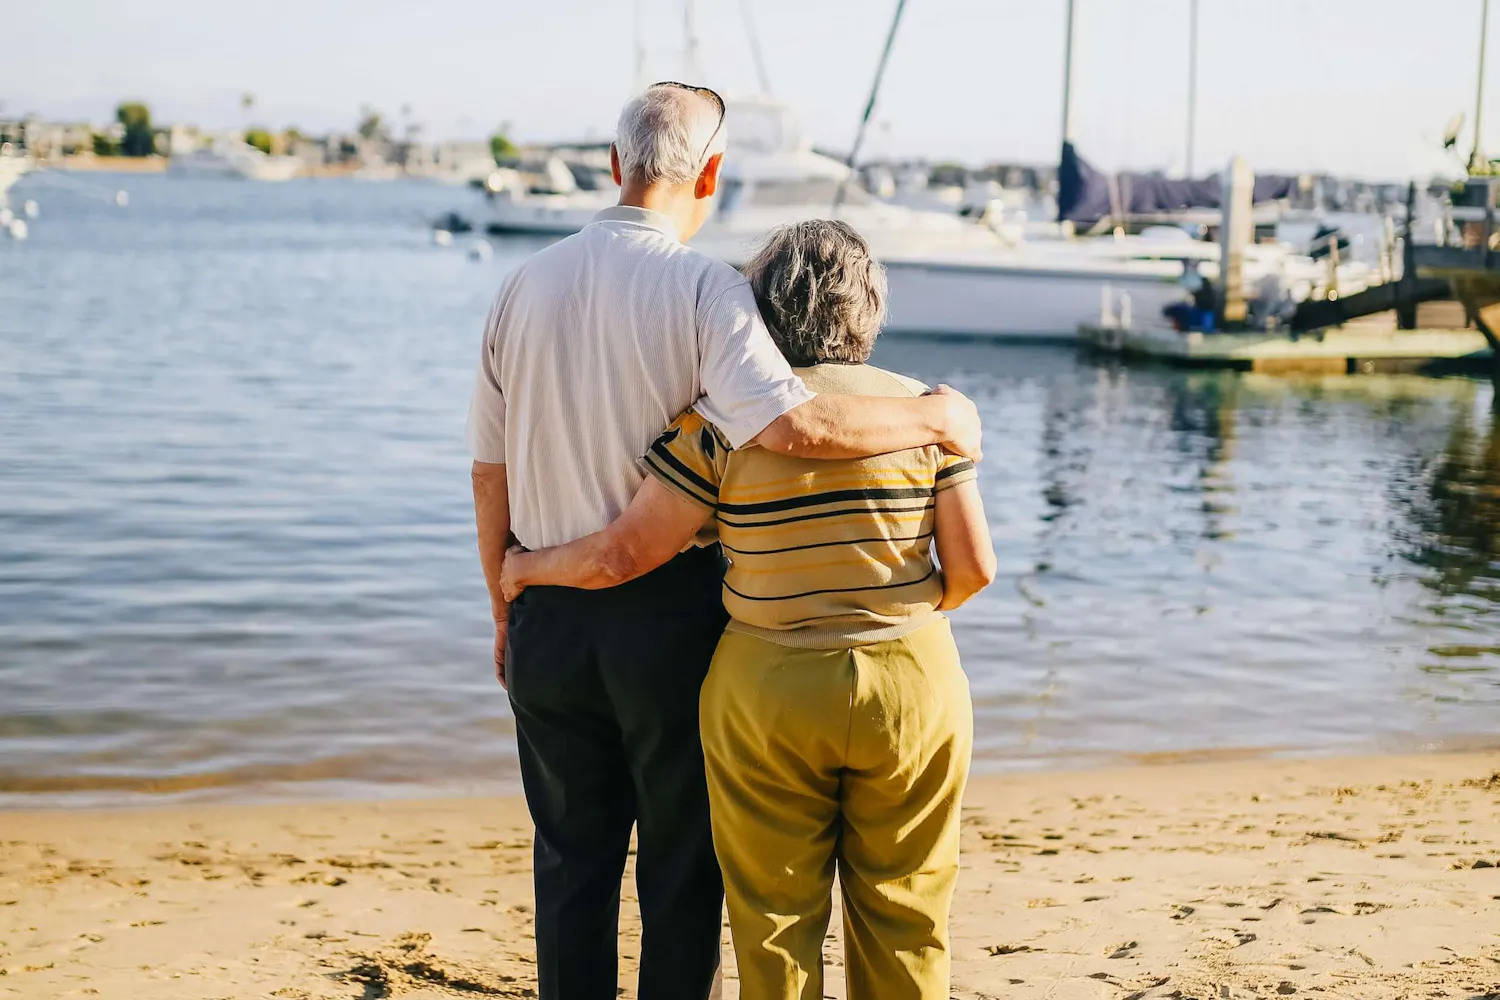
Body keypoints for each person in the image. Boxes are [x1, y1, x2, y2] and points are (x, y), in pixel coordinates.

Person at [466, 84, 984, 1000]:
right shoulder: (707, 288)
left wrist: (505, 598)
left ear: (616, 164)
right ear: (709, 172)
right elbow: (795, 428)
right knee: (681, 870)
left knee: (570, 866)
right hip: (668, 619)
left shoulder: (519, 285)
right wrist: (937, 416)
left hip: (545, 611)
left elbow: (489, 472)